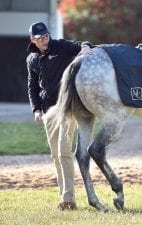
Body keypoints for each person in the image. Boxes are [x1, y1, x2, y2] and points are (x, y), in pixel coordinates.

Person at [26, 22, 92, 210]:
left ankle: (69, 198)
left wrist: (86, 48)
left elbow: (82, 44)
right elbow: (32, 87)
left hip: (67, 107)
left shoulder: (61, 46)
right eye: (40, 38)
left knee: (64, 150)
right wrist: (36, 110)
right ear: (33, 40)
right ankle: (64, 196)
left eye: (46, 36)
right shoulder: (31, 59)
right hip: (48, 111)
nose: (44, 40)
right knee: (55, 154)